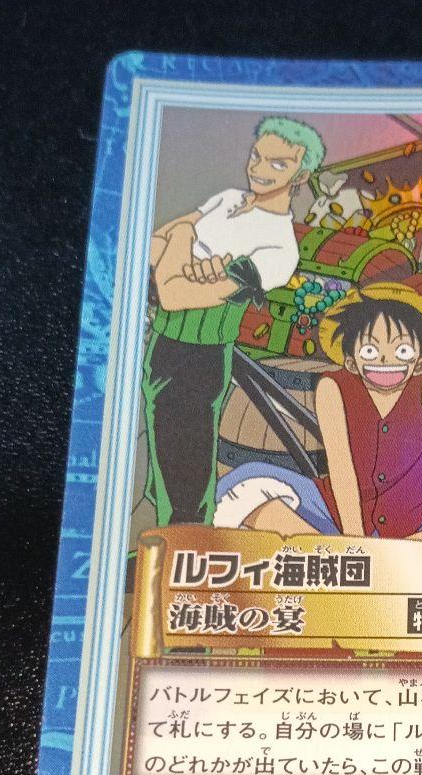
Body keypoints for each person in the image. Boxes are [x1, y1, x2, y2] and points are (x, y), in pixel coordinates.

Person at [214, 284, 422, 541]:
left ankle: (403, 553)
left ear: (420, 361)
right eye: (370, 349)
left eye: (402, 349)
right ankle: (333, 552)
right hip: (336, 515)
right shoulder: (333, 387)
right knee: (242, 484)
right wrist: (354, 541)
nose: (385, 359)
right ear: (351, 360)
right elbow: (341, 468)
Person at [142, 116, 326, 525]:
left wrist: (183, 240)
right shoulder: (226, 199)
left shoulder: (278, 249)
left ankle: (186, 541)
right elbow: (149, 247)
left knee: (186, 474)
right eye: (256, 156)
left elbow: (173, 295)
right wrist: (184, 259)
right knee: (163, 459)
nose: (258, 169)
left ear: (301, 174)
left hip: (199, 359)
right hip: (163, 348)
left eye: (278, 164)